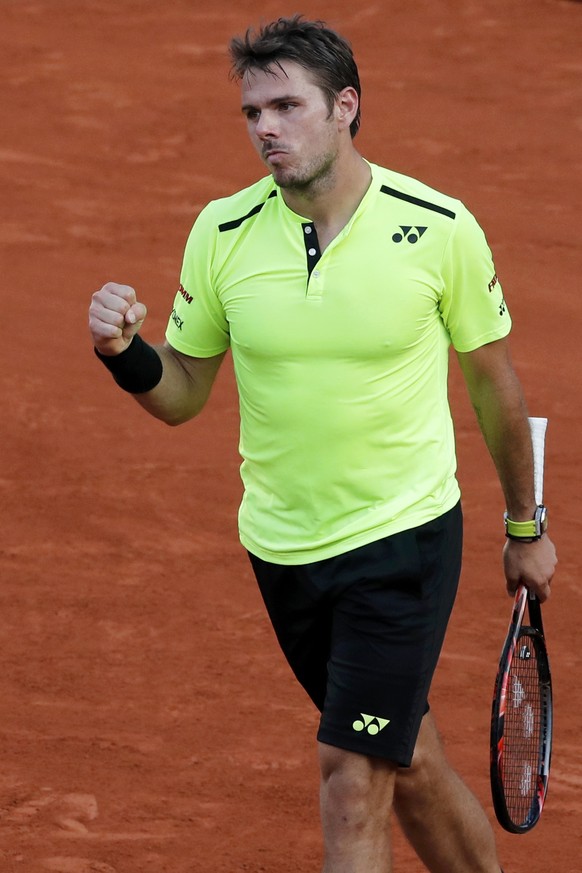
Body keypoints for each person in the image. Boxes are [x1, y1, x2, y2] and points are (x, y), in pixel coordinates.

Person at [88, 15, 557, 873]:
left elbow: (495, 384)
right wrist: (125, 356)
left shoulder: (438, 226)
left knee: (350, 777)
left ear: (345, 107)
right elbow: (184, 394)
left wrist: (526, 528)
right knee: (402, 758)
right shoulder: (223, 232)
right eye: (252, 111)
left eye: (287, 105)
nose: (266, 127)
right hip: (283, 547)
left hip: (403, 539)